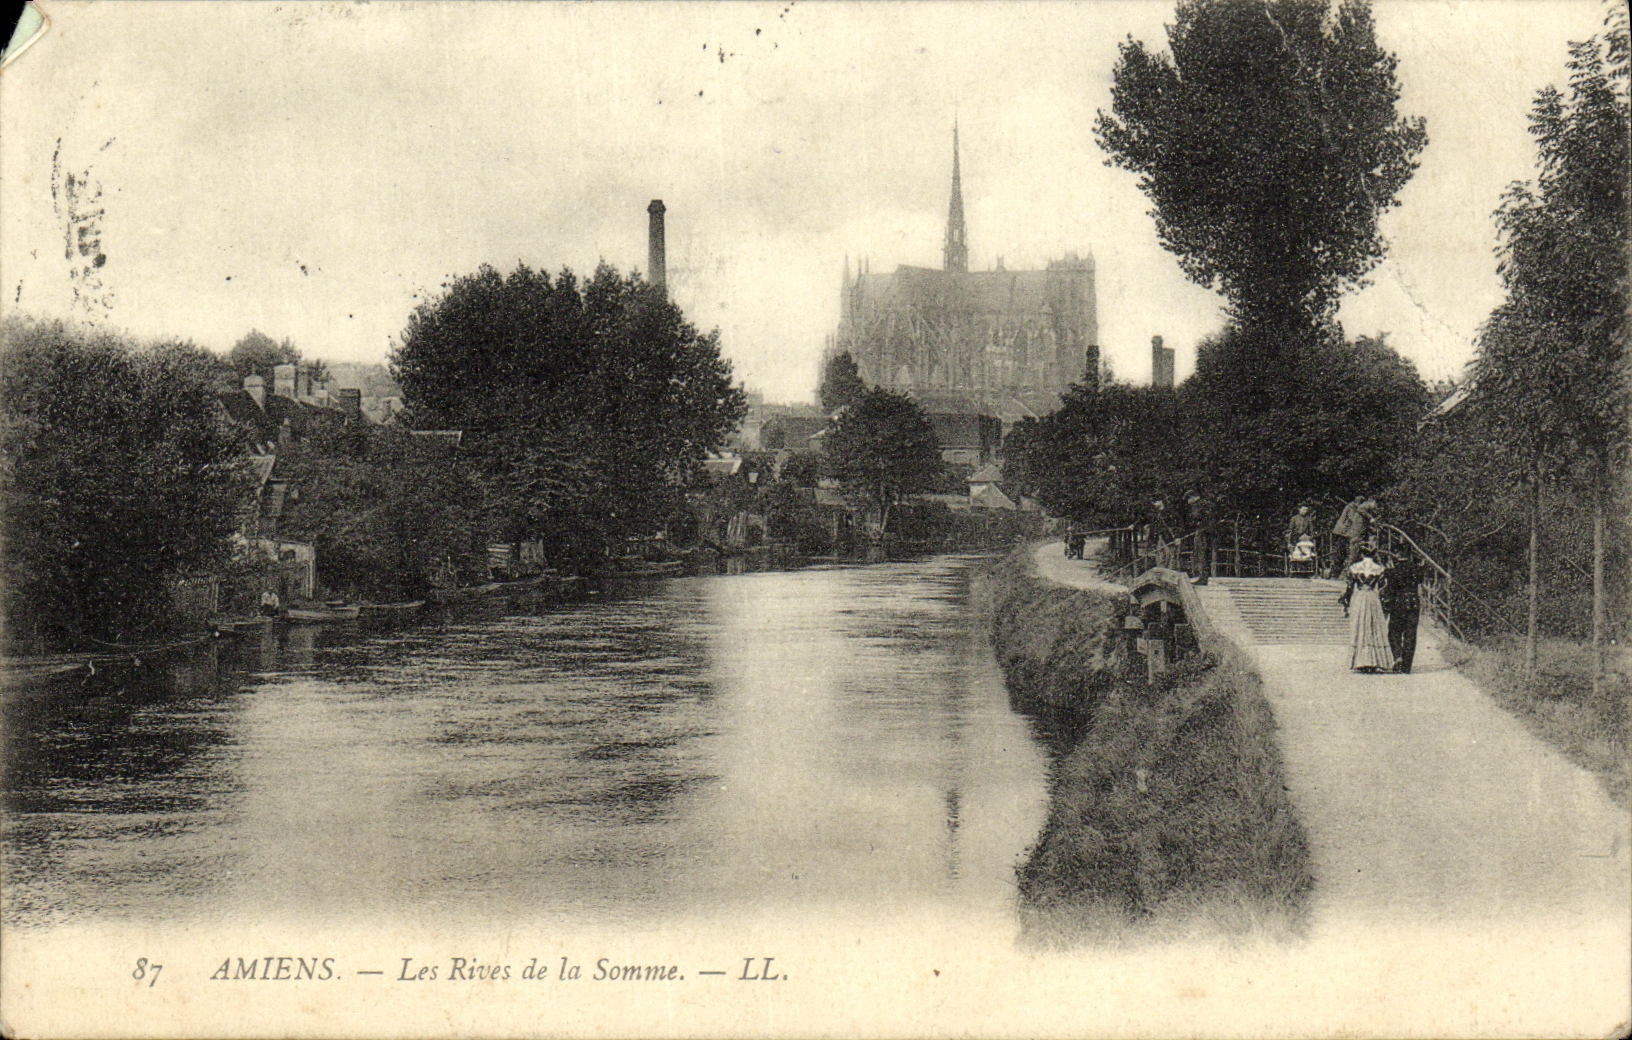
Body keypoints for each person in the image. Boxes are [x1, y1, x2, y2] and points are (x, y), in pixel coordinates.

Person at [1338, 542, 1394, 673]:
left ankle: (1361, 661)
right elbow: (1382, 587)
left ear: (1361, 554)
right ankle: (1375, 661)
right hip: (1373, 598)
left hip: (1360, 598)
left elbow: (1350, 586)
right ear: (1374, 554)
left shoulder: (1355, 567)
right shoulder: (1378, 568)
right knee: (1374, 626)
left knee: (1360, 626)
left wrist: (1345, 601)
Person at [1381, 550, 1422, 674]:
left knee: (1394, 632)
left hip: (1398, 604)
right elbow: (1420, 579)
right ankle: (1407, 665)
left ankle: (1398, 656)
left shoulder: (1393, 570)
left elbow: (1390, 587)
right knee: (1410, 634)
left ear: (1397, 555)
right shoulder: (1416, 569)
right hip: (1413, 604)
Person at [1331, 494, 1367, 578]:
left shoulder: (1354, 508)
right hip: (1342, 532)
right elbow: (1353, 519)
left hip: (1347, 532)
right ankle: (1335, 573)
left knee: (1346, 552)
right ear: (1358, 503)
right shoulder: (1350, 508)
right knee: (1340, 552)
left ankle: (1341, 572)